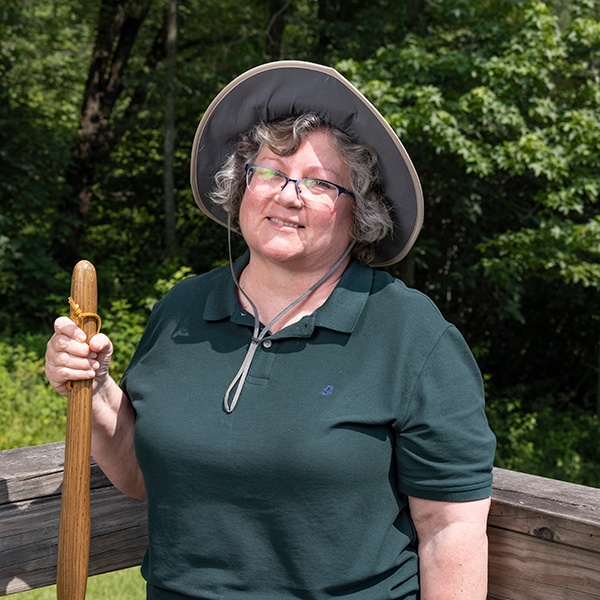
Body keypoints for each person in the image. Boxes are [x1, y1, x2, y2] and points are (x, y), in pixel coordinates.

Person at [46, 61, 496, 600]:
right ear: (241, 187)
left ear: (362, 213)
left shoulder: (411, 334)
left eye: (319, 182)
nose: (288, 194)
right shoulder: (183, 308)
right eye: (270, 173)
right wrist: (93, 388)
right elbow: (143, 476)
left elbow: (451, 530)